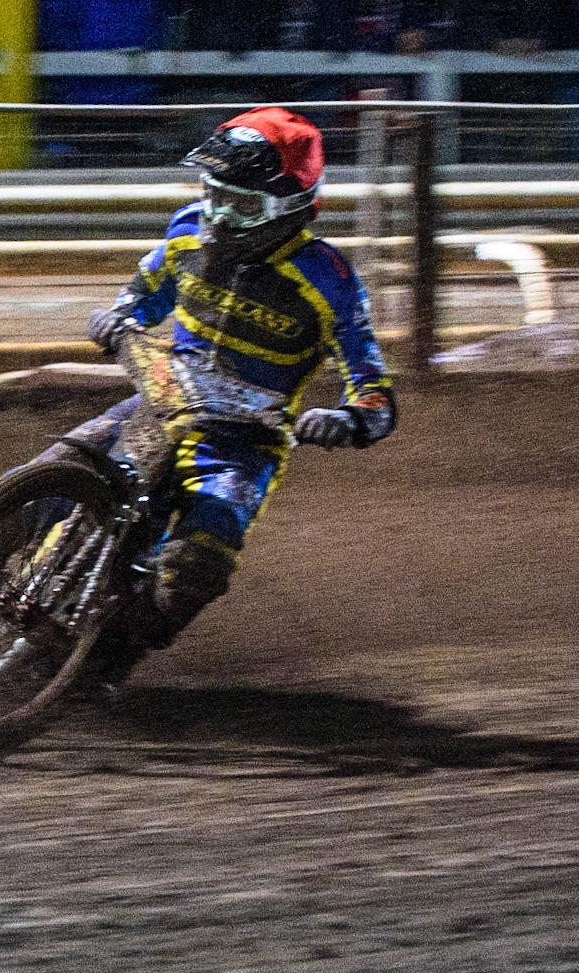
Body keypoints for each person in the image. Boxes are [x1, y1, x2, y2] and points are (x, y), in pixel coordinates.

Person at [75, 107, 396, 689]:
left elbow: (374, 391)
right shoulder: (187, 229)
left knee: (198, 562)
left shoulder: (329, 281)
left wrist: (348, 419)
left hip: (240, 444)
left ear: (291, 208)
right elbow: (145, 294)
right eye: (214, 195)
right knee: (45, 478)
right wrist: (119, 315)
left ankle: (111, 659)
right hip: (162, 402)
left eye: (241, 206)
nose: (219, 218)